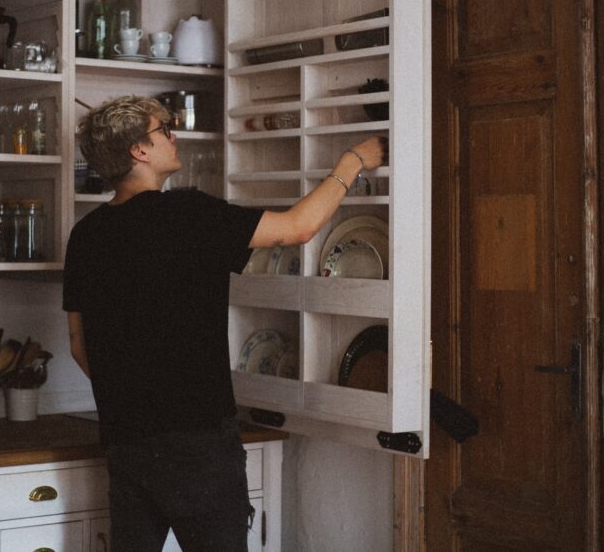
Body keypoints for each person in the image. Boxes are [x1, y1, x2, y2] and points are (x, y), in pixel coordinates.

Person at [63, 96, 385, 551]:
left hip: (126, 442)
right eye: (164, 129)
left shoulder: (86, 235)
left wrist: (136, 395)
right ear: (139, 150)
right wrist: (353, 161)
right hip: (199, 443)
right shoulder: (187, 213)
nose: (174, 136)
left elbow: (79, 345)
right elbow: (298, 227)